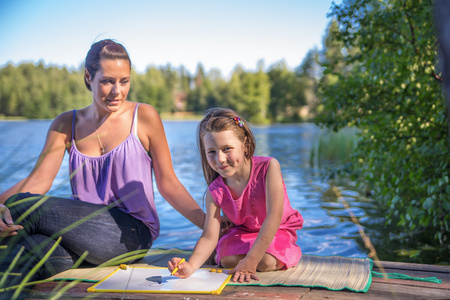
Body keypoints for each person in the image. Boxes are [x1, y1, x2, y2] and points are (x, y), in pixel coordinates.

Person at [0, 39, 205, 289]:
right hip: (82, 240)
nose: (117, 90)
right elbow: (38, 181)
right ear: (88, 77)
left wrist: (212, 227)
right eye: (107, 81)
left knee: (20, 207)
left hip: (131, 235)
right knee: (25, 250)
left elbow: (168, 184)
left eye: (124, 81)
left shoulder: (144, 117)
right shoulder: (66, 124)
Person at [168, 107, 303, 283]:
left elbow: (274, 216)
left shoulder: (269, 168)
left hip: (276, 229)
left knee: (266, 261)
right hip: (242, 232)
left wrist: (250, 261)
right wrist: (190, 266)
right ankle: (246, 257)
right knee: (227, 260)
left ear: (245, 144)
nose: (220, 159)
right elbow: (209, 236)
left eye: (227, 149)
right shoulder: (215, 191)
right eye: (212, 152)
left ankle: (257, 256)